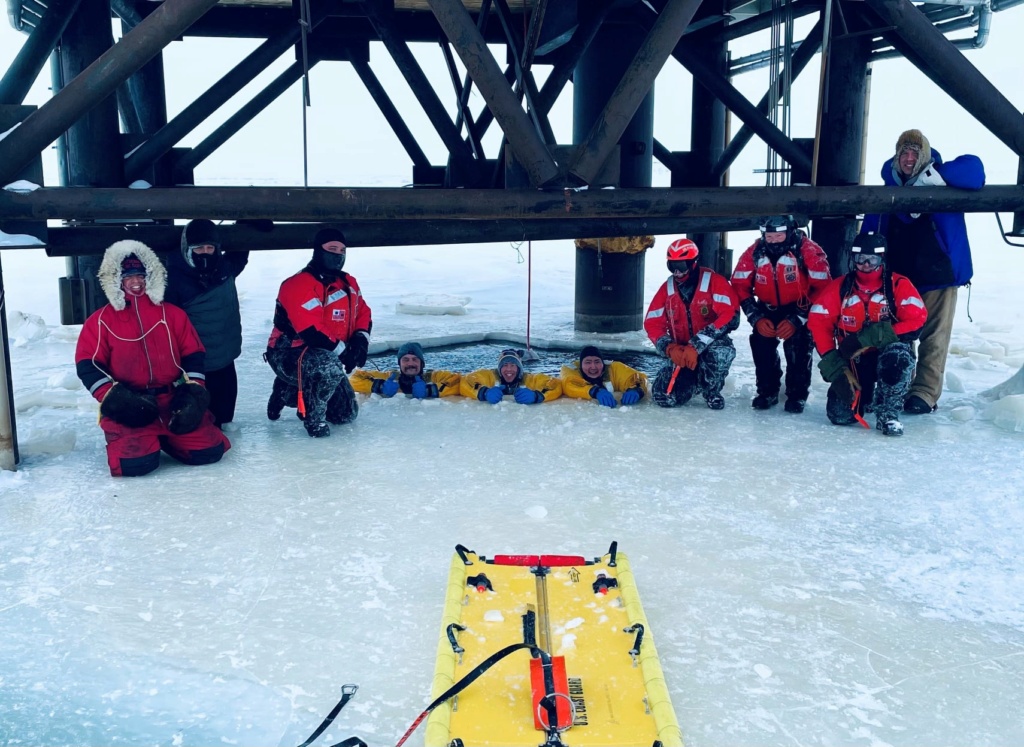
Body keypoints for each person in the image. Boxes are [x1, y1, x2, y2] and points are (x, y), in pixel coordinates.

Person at [74, 240, 231, 476]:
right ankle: (148, 440)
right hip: (130, 403)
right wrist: (115, 399)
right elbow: (88, 364)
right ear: (115, 280)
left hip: (171, 400)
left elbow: (193, 353)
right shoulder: (100, 320)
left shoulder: (173, 314)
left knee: (209, 452)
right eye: (128, 277)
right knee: (135, 466)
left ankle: (167, 437)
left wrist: (193, 393)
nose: (136, 282)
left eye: (141, 275)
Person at [861, 129, 985, 415]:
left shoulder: (943, 179)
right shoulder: (887, 186)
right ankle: (899, 385)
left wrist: (937, 175)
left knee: (935, 339)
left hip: (939, 278)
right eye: (903, 152)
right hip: (897, 280)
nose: (908, 159)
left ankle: (924, 393)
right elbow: (871, 227)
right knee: (898, 335)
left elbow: (975, 173)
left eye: (915, 153)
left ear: (925, 156)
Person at [807, 232, 928, 436]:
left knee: (897, 357)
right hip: (855, 359)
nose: (865, 264)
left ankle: (888, 414)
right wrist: (834, 365)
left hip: (887, 355)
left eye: (871, 259)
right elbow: (818, 323)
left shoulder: (898, 284)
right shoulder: (839, 288)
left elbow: (917, 320)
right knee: (840, 416)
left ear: (881, 259)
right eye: (860, 259)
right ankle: (866, 397)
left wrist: (873, 336)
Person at [265, 226, 372, 437]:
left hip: (326, 354)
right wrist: (344, 352)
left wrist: (360, 341)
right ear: (318, 250)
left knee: (346, 414)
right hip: (289, 353)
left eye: (342, 251)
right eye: (332, 248)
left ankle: (290, 390)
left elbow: (364, 313)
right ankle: (312, 419)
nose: (338, 255)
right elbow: (311, 330)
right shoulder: (298, 284)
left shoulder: (348, 283)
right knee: (329, 369)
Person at [731, 215, 831, 413]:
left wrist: (798, 318)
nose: (774, 240)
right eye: (770, 236)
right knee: (761, 345)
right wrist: (755, 317)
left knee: (799, 347)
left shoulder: (809, 251)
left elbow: (823, 288)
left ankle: (797, 394)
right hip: (765, 309)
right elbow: (739, 285)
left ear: (790, 233)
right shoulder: (754, 252)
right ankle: (766, 391)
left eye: (779, 236)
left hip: (799, 308)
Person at [164, 219, 249, 428]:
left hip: (225, 360)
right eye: (198, 248)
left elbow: (241, 252)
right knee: (200, 423)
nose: (204, 253)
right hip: (195, 367)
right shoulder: (172, 280)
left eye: (210, 248)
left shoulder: (225, 268)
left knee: (225, 419)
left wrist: (247, 223)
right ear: (187, 248)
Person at [643, 238, 740, 409]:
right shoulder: (667, 288)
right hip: (681, 350)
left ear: (693, 263)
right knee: (663, 397)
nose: (677, 272)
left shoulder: (714, 282)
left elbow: (730, 317)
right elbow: (652, 323)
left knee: (720, 353)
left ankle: (711, 391)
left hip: (710, 346)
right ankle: (693, 380)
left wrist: (696, 345)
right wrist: (669, 348)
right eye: (672, 266)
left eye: (681, 266)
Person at [350, 341, 461, 399]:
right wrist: (379, 386)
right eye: (406, 360)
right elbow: (353, 378)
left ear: (422, 363)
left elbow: (458, 381)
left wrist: (430, 390)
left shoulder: (433, 377)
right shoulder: (390, 377)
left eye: (415, 359)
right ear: (399, 363)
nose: (410, 363)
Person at [460, 348, 562, 404]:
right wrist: (483, 392)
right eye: (505, 365)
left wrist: (537, 396)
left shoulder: (529, 379)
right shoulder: (489, 376)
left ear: (519, 368)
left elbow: (554, 383)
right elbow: (466, 380)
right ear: (499, 368)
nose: (509, 369)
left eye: (513, 365)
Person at [559, 345, 647, 408]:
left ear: (602, 362)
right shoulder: (571, 370)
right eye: (588, 362)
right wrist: (595, 391)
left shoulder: (614, 368)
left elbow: (639, 378)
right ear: (581, 365)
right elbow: (569, 385)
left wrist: (636, 390)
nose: (593, 367)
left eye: (597, 362)